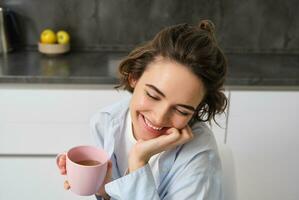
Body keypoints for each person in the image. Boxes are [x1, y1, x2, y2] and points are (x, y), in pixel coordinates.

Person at [57, 19, 228, 200]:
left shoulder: (199, 158)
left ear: (196, 110)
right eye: (153, 96)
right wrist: (104, 191)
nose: (159, 118)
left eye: (182, 111)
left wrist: (138, 161)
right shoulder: (106, 122)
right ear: (134, 77)